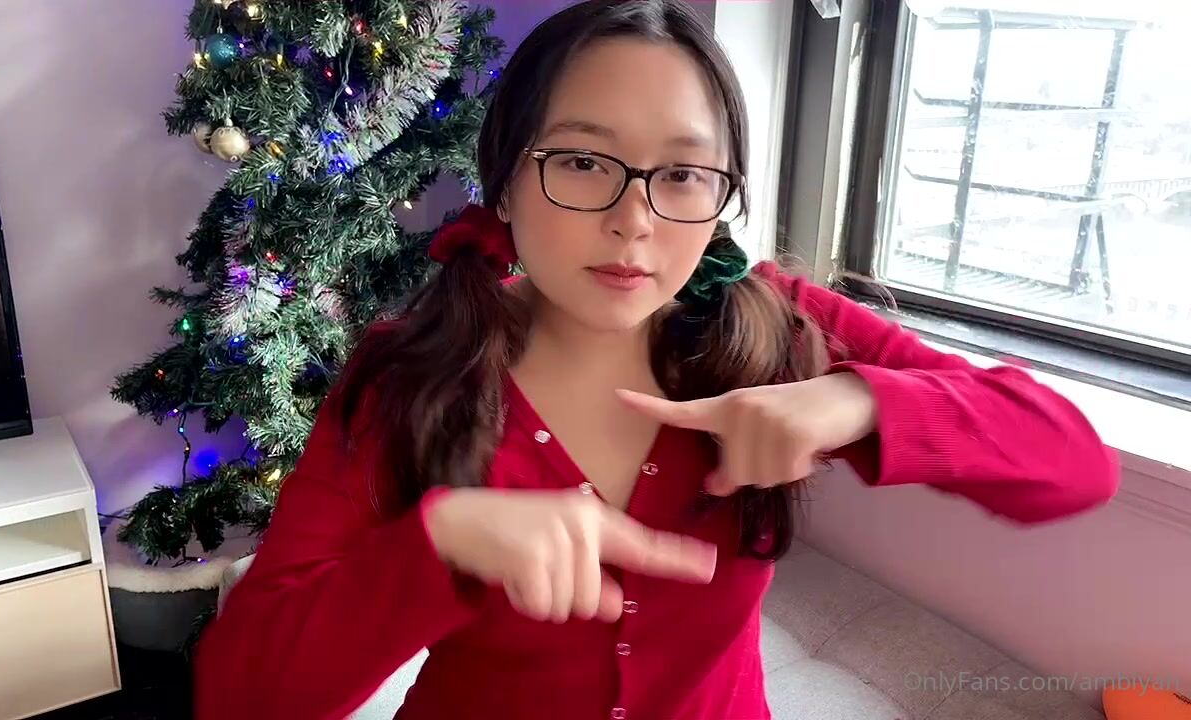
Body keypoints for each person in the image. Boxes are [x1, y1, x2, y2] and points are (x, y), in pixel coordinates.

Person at [193, 1, 1120, 718]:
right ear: (506, 180)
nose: (634, 221)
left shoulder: (777, 329)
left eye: (681, 175)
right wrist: (440, 544)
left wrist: (856, 403)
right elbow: (241, 695)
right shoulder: (410, 374)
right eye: (583, 162)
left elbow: (1073, 462)